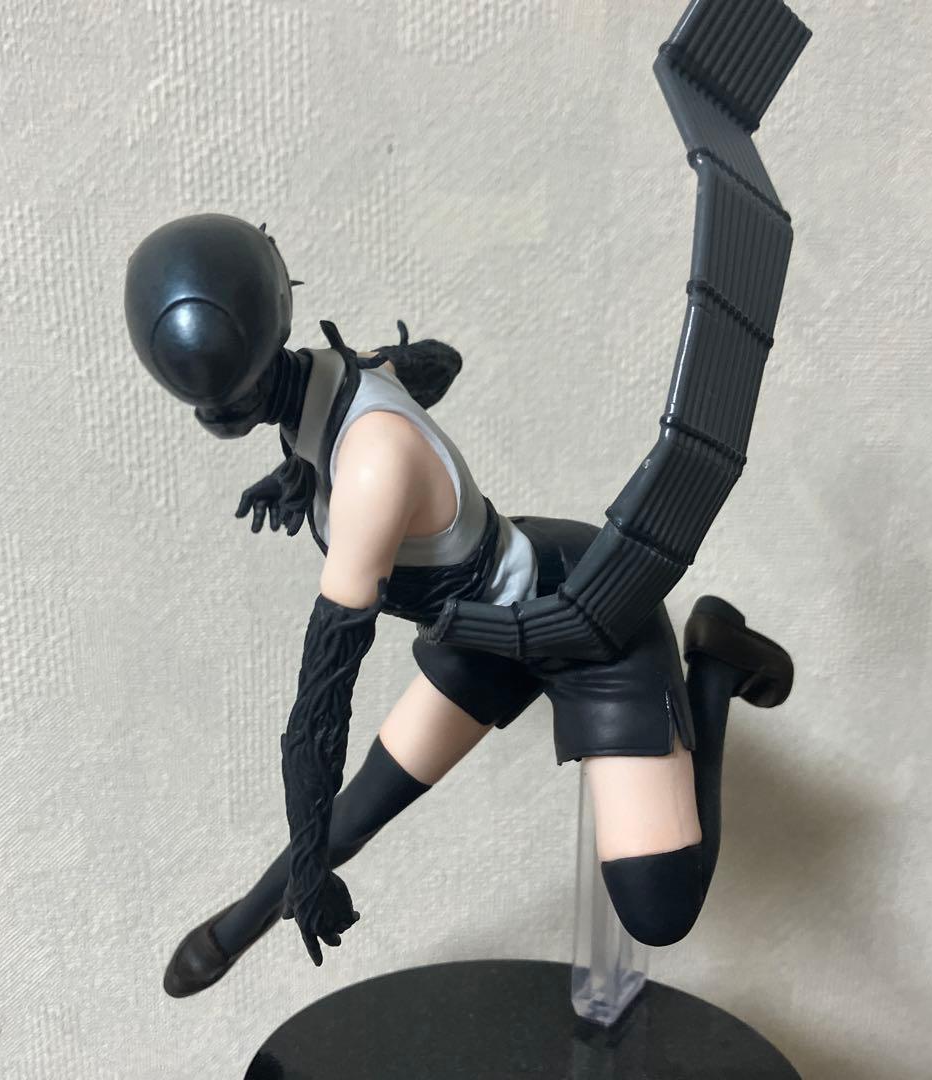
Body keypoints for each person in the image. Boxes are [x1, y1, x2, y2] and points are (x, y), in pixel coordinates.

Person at [124, 213, 793, 997]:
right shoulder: (320, 382)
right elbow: (434, 366)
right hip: (483, 626)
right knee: (361, 807)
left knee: (659, 912)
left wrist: (310, 873)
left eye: (232, 402)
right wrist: (297, 477)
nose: (222, 418)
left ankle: (713, 665)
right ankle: (234, 930)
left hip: (586, 612)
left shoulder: (372, 467)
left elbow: (319, 707)